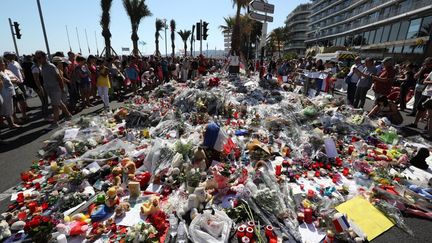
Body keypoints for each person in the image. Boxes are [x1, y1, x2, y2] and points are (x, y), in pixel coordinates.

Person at [35, 51, 71, 129]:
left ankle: (55, 123)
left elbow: (59, 78)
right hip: (49, 89)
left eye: (39, 58)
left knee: (55, 106)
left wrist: (62, 88)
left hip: (55, 89)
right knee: (59, 103)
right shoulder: (42, 67)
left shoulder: (51, 66)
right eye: (36, 58)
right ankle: (68, 115)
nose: (38, 60)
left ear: (44, 57)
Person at [4, 52, 28, 121]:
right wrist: (14, 80)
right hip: (10, 86)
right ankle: (15, 118)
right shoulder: (7, 64)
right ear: (7, 56)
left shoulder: (15, 62)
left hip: (19, 82)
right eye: (11, 55)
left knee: (22, 98)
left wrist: (22, 75)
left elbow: (20, 70)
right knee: (13, 102)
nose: (13, 56)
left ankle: (24, 114)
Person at [407, 70, 432, 137]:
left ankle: (428, 129)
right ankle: (415, 123)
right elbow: (425, 81)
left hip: (430, 95)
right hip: (427, 93)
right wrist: (431, 82)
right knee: (420, 107)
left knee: (430, 114)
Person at [0, 57, 21, 128]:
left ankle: (7, 124)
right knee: (7, 110)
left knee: (8, 110)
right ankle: (11, 124)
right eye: (3, 63)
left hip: (8, 94)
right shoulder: (0, 74)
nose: (4, 64)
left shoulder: (3, 72)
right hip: (4, 95)